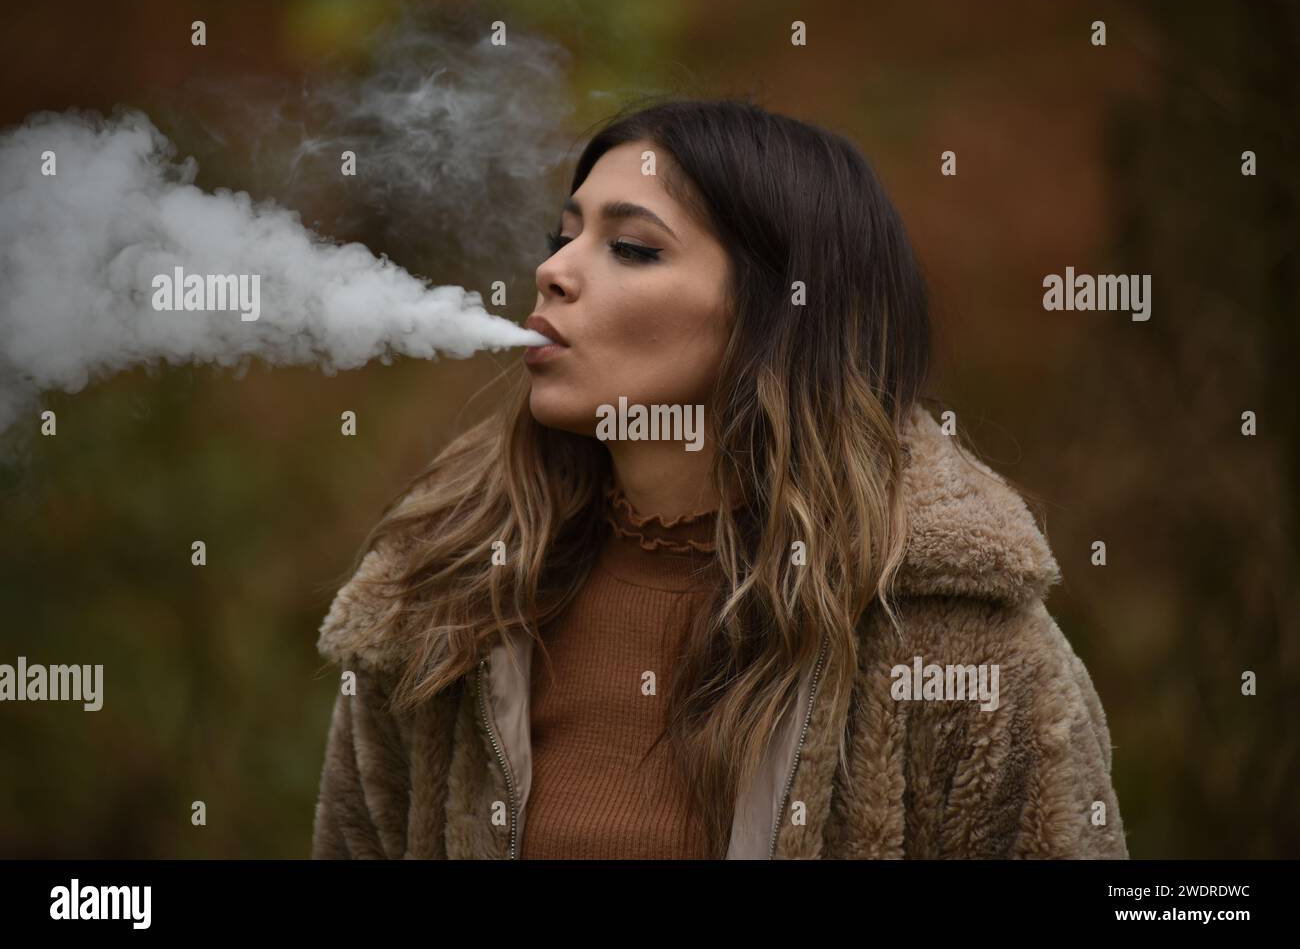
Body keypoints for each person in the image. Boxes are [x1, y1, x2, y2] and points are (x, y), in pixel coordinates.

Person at [310, 97, 1128, 859]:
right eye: (563, 237)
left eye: (631, 247)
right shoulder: (439, 606)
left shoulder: (957, 637)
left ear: (779, 314)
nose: (554, 271)